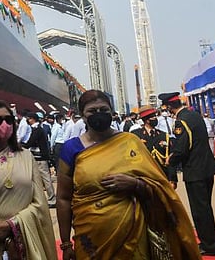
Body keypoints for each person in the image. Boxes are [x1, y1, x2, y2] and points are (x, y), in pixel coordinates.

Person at [56, 90, 200, 260]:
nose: (99, 114)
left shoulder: (130, 141)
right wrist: (66, 244)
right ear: (83, 115)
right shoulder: (71, 149)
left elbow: (160, 186)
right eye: (92, 111)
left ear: (111, 111)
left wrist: (135, 184)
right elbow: (64, 198)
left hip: (134, 234)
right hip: (90, 239)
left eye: (104, 110)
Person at [0, 100, 55, 259]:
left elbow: (39, 202)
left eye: (8, 119)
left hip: (26, 235)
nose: (5, 124)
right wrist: (4, 237)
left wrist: (11, 226)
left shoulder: (26, 156)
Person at [162, 91, 215, 256]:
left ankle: (209, 246)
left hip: (195, 171)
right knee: (205, 207)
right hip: (207, 167)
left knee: (199, 210)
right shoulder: (194, 115)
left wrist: (170, 160)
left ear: (169, 107)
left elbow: (182, 147)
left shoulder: (181, 121)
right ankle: (211, 241)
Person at [133, 106, 177, 187]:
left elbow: (170, 159)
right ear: (146, 120)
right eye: (152, 117)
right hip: (145, 179)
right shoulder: (136, 135)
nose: (155, 118)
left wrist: (172, 179)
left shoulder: (163, 135)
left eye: (155, 116)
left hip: (163, 177)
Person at [24, 113, 56, 207]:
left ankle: (52, 199)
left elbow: (31, 142)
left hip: (40, 158)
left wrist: (23, 145)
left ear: (33, 119)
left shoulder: (37, 130)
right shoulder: (38, 128)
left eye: (29, 119)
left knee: (45, 178)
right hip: (39, 157)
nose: (28, 121)